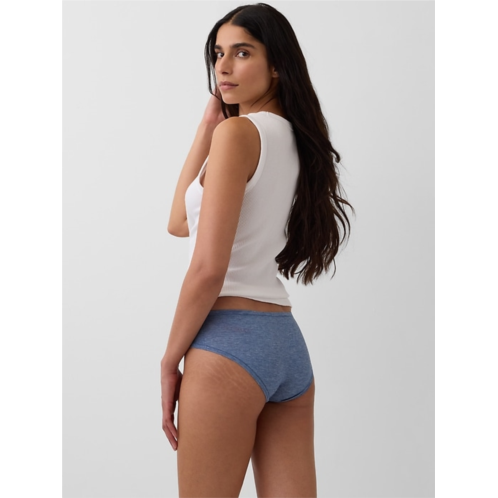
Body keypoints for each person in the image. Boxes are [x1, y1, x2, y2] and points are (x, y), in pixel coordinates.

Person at [161, 3, 353, 496]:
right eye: (218, 54)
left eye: (242, 52)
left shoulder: (239, 134)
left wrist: (169, 360)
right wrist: (208, 126)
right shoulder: (299, 141)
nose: (223, 67)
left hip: (227, 345)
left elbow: (208, 268)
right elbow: (180, 222)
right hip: (286, 346)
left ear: (277, 65)